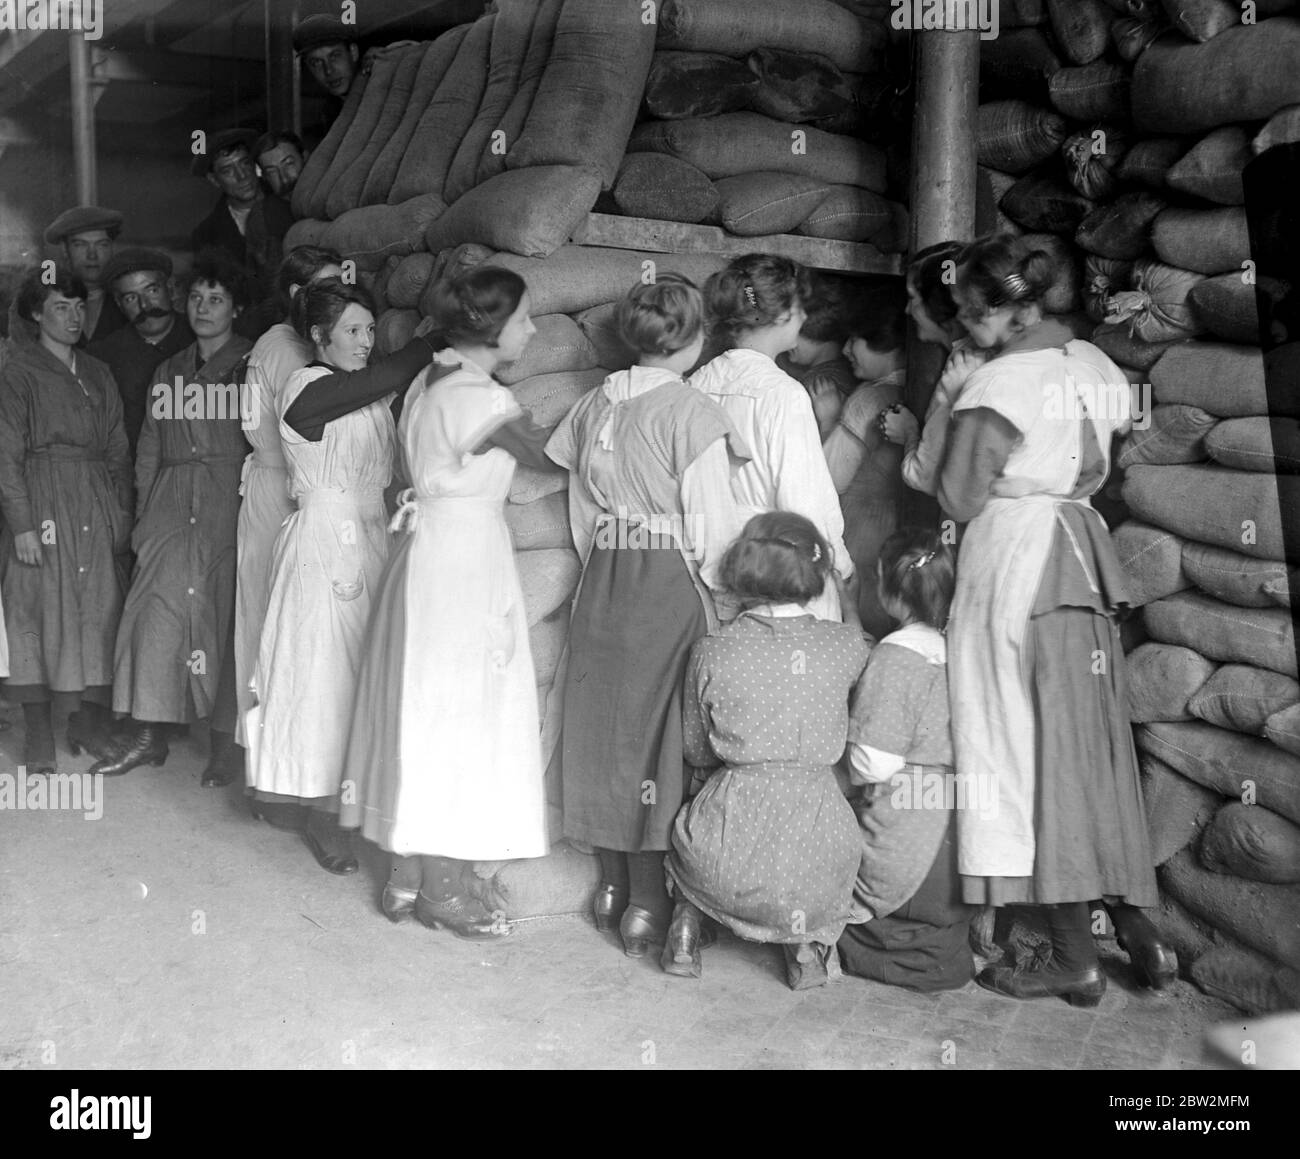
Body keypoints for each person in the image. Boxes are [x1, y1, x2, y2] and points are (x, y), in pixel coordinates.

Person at [938, 234, 1169, 1006]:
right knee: (1092, 745)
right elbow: (1122, 437)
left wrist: (953, 398)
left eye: (973, 316)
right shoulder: (1095, 364)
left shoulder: (997, 383)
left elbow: (959, 498)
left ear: (1006, 312)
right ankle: (1140, 927)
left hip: (1018, 563)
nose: (967, 330)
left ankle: (1074, 955)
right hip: (1083, 553)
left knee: (1022, 749)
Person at [340, 268, 555, 936]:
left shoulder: (431, 380)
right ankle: (442, 891)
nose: (534, 329)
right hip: (459, 564)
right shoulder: (477, 396)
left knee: (426, 709)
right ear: (493, 330)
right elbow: (552, 456)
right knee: (459, 718)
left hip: (432, 554)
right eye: (525, 318)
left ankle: (407, 877)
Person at [547, 273, 750, 957]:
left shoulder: (593, 401)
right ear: (695, 340)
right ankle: (645, 904)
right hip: (667, 576)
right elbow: (715, 526)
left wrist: (607, 554)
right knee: (660, 740)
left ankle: (608, 888)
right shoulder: (692, 413)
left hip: (606, 572)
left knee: (602, 727)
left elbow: (581, 511)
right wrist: (722, 598)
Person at [247, 278, 438, 871]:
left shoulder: (368, 392)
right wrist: (439, 335)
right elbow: (389, 374)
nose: (364, 340)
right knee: (323, 678)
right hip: (323, 542)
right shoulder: (308, 388)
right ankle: (322, 815)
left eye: (369, 330)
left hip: (369, 531)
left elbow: (388, 415)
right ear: (318, 337)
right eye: (352, 331)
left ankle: (355, 802)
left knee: (364, 672)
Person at [664, 512, 870, 989]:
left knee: (697, 811)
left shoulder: (712, 649)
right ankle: (804, 947)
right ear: (816, 578)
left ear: (744, 568)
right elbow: (858, 651)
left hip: (722, 863)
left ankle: (685, 929)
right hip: (820, 866)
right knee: (823, 840)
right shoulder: (846, 645)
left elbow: (695, 749)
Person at [91, 251, 253, 779]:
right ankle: (148, 733)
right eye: (198, 298)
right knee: (154, 611)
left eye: (217, 299)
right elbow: (149, 450)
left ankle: (226, 747)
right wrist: (142, 516)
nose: (205, 309)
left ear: (236, 307)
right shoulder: (170, 369)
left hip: (228, 497)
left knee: (223, 613)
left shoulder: (252, 363)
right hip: (168, 498)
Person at [0, 268, 132, 772]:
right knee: (37, 610)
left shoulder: (98, 372)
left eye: (79, 307)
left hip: (95, 501)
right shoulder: (18, 372)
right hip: (43, 498)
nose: (74, 317)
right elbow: (6, 454)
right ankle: (37, 736)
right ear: (36, 313)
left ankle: (87, 724)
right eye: (60, 306)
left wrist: (119, 512)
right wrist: (23, 525)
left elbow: (119, 447)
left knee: (98, 609)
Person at [837, 526, 974, 992]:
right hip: (958, 835)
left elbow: (872, 765)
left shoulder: (895, 656)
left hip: (907, 833)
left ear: (892, 594)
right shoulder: (961, 649)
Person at [230, 246, 343, 804]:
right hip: (285, 491)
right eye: (326, 289)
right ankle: (275, 776)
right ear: (299, 296)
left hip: (284, 489)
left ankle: (280, 772)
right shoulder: (286, 350)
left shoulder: (292, 345)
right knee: (276, 630)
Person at [691, 254, 853, 623]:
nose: (804, 318)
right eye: (800, 307)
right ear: (780, 315)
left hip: (711, 564)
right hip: (781, 569)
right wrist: (839, 560)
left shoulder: (696, 384)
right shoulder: (783, 393)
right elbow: (804, 499)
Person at [821, 288, 909, 639]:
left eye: (854, 339)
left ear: (885, 341)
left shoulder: (869, 399)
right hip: (901, 536)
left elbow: (828, 478)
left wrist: (828, 422)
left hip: (863, 536)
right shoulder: (919, 388)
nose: (845, 350)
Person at [880, 242, 983, 497]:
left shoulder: (962, 369)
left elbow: (923, 474)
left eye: (913, 299)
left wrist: (909, 433)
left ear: (937, 304)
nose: (907, 310)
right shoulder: (979, 355)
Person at [87, 247, 195, 457]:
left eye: (152, 290)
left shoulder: (201, 340)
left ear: (170, 289)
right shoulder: (103, 356)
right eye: (130, 298)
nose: (145, 305)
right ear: (119, 305)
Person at [190, 128, 295, 337]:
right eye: (228, 170)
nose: (242, 176)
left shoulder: (288, 204)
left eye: (245, 163)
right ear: (214, 179)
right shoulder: (206, 235)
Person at [779, 272, 857, 441]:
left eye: (797, 331)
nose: (788, 339)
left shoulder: (816, 383)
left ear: (819, 333)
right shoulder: (845, 373)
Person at [43, 206, 128, 346]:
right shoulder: (44, 299)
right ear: (65, 250)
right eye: (80, 245)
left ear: (112, 248)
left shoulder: (130, 297)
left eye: (101, 245)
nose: (92, 255)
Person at [294, 14, 361, 143]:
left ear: (353, 52)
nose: (328, 70)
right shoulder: (330, 113)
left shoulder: (382, 88)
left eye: (335, 56)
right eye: (316, 63)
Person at [254, 130, 309, 199]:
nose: (284, 179)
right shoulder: (267, 208)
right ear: (265, 178)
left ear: (305, 157)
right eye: (272, 172)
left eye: (289, 164)